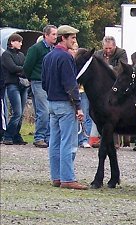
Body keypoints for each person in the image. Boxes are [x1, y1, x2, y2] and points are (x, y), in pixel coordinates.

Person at [41, 25, 87, 190]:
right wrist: (78, 107)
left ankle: (57, 177)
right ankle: (68, 178)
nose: (74, 41)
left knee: (54, 142)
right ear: (63, 38)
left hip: (52, 103)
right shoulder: (66, 58)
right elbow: (71, 85)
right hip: (65, 104)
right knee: (68, 142)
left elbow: (44, 82)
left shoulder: (48, 57)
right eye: (72, 38)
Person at [24, 24, 57, 148]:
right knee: (43, 111)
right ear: (46, 35)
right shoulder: (36, 49)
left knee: (50, 110)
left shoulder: (53, 49)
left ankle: (48, 137)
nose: (55, 37)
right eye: (53, 34)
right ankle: (39, 137)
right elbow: (27, 66)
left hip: (50, 83)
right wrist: (32, 78)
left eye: (56, 34)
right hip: (38, 82)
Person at [1, 34, 29, 146]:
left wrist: (21, 70)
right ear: (12, 42)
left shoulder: (21, 55)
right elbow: (12, 68)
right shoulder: (6, 55)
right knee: (17, 112)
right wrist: (22, 69)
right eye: (19, 42)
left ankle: (16, 135)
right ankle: (8, 135)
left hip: (23, 84)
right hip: (12, 84)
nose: (21, 44)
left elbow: (26, 67)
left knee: (21, 113)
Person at [67, 40, 92, 148]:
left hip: (83, 91)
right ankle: (75, 139)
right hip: (73, 92)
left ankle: (84, 139)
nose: (74, 51)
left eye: (76, 49)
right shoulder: (67, 61)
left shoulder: (81, 62)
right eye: (72, 49)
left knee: (85, 115)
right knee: (74, 116)